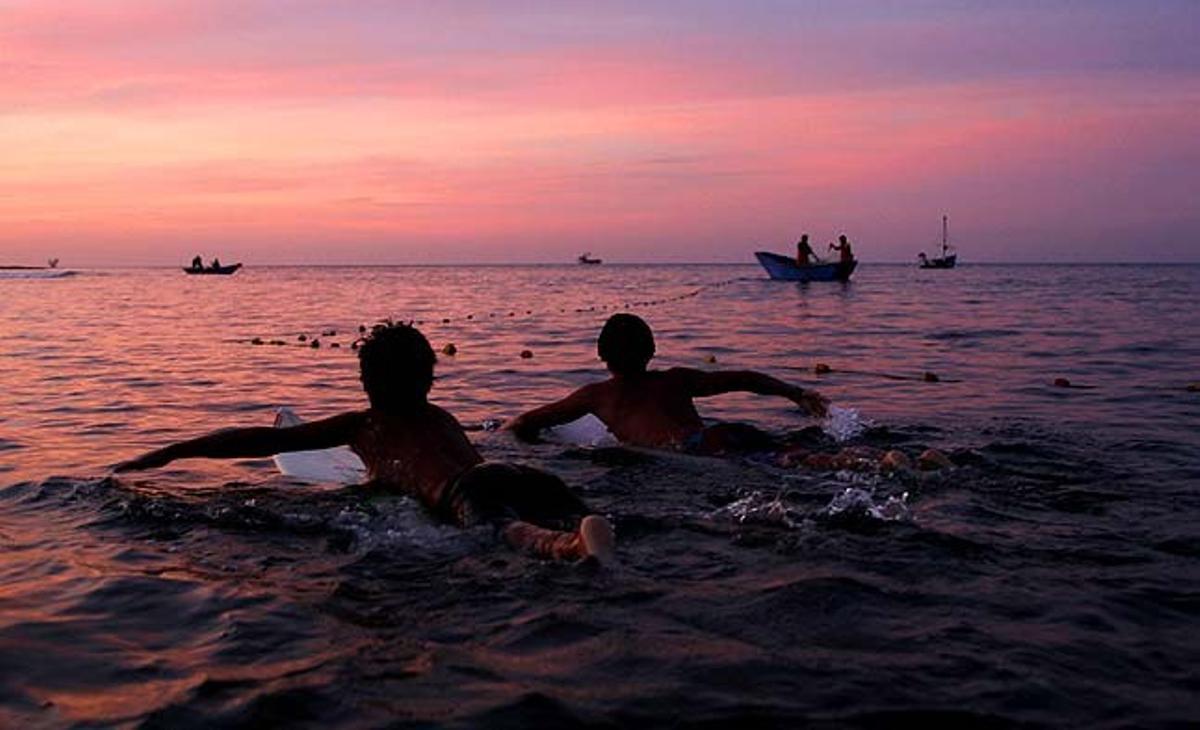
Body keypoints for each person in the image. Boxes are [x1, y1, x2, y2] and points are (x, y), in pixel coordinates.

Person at [113, 322, 615, 563]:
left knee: (511, 532)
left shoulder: (363, 426)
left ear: (366, 381)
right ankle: (589, 526)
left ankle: (569, 546)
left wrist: (174, 451)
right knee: (565, 509)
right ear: (430, 378)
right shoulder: (442, 416)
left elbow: (259, 439)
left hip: (464, 493)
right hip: (511, 476)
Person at [506, 313, 829, 454]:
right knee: (801, 457)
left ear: (601, 354)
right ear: (652, 351)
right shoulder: (677, 379)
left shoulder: (596, 396)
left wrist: (503, 435)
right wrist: (796, 393)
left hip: (686, 452)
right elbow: (743, 378)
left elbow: (526, 422)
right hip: (726, 433)